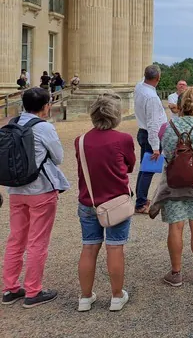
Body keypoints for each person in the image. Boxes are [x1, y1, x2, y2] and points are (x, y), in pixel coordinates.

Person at [2, 88, 70, 308]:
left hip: (16, 189)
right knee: (37, 241)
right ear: (45, 106)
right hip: (40, 188)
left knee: (16, 239)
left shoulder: (11, 124)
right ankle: (33, 291)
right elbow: (59, 157)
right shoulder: (44, 127)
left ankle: (10, 288)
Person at [75, 94, 135, 312]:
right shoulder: (123, 139)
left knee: (89, 247)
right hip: (116, 203)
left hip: (89, 201)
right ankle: (117, 296)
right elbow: (129, 166)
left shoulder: (80, 140)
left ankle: (85, 297)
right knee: (115, 247)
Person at [150, 87, 193, 287]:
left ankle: (176, 272)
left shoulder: (166, 127)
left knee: (175, 226)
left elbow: (166, 152)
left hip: (174, 182)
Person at [133, 65, 168, 214]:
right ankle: (140, 203)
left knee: (144, 168)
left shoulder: (140, 87)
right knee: (148, 170)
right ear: (158, 78)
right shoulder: (151, 97)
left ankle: (141, 197)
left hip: (143, 131)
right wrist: (155, 147)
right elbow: (153, 124)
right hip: (150, 135)